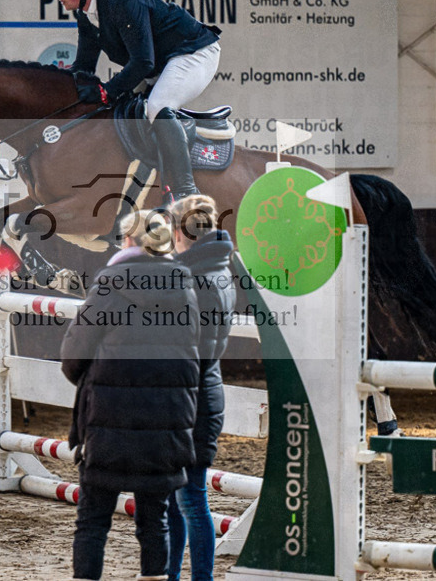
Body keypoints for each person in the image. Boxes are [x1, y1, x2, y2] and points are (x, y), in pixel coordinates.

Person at [60, 209, 201, 581]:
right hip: (166, 421)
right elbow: (192, 354)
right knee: (155, 521)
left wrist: (91, 380)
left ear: (127, 240)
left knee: (92, 521)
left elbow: (74, 353)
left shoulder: (109, 282)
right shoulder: (185, 285)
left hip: (109, 420)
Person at [45, 0, 222, 202]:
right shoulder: (85, 14)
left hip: (193, 52)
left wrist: (106, 90)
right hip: (158, 64)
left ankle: (186, 191)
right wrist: (55, 92)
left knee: (157, 107)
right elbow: (84, 67)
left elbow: (142, 61)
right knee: (121, 109)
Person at [164, 195, 236, 581]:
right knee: (179, 502)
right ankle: (172, 575)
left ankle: (200, 578)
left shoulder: (190, 281)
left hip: (187, 400)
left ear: (179, 232)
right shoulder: (218, 270)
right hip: (204, 391)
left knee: (190, 500)